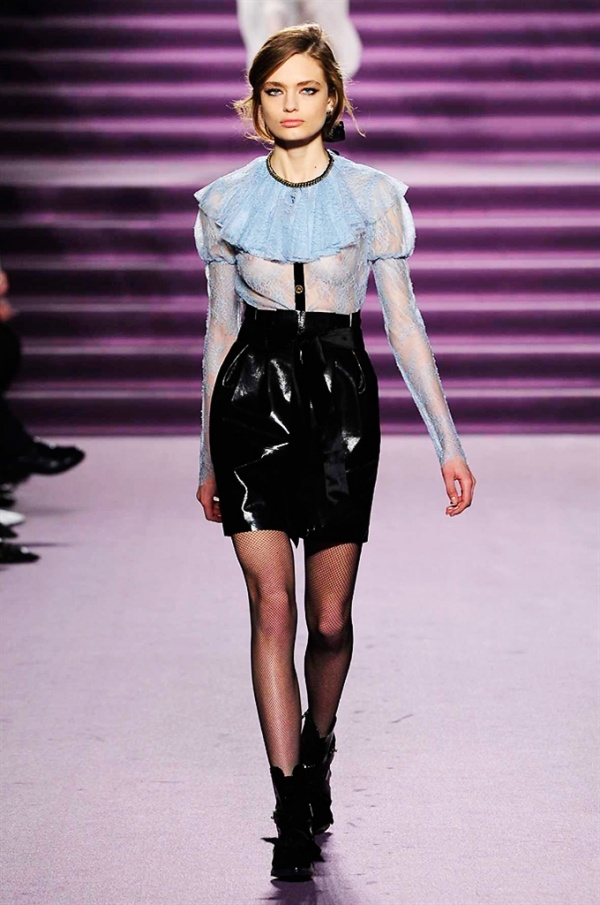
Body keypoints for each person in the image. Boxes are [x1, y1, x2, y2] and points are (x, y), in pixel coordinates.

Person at [193, 24, 476, 881]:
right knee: (271, 608)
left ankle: (318, 748)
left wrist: (448, 442)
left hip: (342, 404)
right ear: (255, 103)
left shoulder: (372, 196)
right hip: (250, 403)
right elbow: (218, 333)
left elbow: (404, 325)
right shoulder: (223, 202)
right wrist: (205, 457)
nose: (291, 105)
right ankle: (288, 803)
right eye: (275, 91)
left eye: (307, 89)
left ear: (333, 99)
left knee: (328, 620)